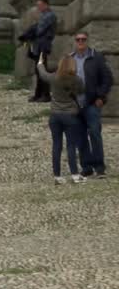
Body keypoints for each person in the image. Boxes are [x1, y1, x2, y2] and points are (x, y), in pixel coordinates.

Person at [37, 56, 86, 184]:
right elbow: (81, 91)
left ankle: (57, 176)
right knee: (71, 145)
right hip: (70, 115)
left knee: (56, 146)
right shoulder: (76, 80)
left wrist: (40, 63)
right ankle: (75, 174)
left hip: (55, 115)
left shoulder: (54, 78)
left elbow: (43, 74)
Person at [71, 33, 113, 178]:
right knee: (80, 137)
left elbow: (107, 78)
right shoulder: (70, 59)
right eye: (78, 39)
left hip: (92, 104)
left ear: (87, 41)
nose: (81, 41)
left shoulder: (97, 57)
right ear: (75, 42)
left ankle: (100, 168)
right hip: (75, 105)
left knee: (95, 134)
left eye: (83, 39)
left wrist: (101, 97)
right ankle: (87, 167)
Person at [18, 0, 57, 102]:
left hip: (43, 45)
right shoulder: (45, 16)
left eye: (39, 5)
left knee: (42, 69)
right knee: (38, 69)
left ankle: (45, 95)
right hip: (38, 45)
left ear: (46, 4)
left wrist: (30, 32)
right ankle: (38, 94)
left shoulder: (49, 15)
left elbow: (39, 30)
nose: (38, 7)